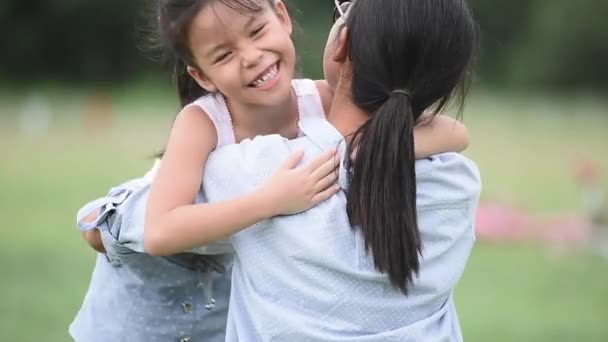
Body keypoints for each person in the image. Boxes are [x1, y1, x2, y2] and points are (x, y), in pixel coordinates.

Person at [71, 0, 471, 341]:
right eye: (224, 55)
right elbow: (159, 232)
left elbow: (456, 133)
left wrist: (356, 148)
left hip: (227, 287)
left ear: (282, 15)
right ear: (202, 76)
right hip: (152, 300)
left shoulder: (318, 97)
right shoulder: (201, 124)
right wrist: (269, 201)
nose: (251, 56)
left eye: (257, 29)